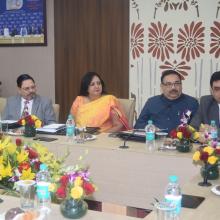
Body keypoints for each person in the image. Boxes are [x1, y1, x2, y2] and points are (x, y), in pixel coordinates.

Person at [134, 70, 199, 133]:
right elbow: (138, 125)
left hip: (180, 142)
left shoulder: (192, 103)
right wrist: (152, 128)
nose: (173, 87)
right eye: (168, 84)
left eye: (177, 83)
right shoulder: (152, 102)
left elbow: (198, 127)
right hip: (156, 141)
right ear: (162, 87)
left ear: (181, 85)